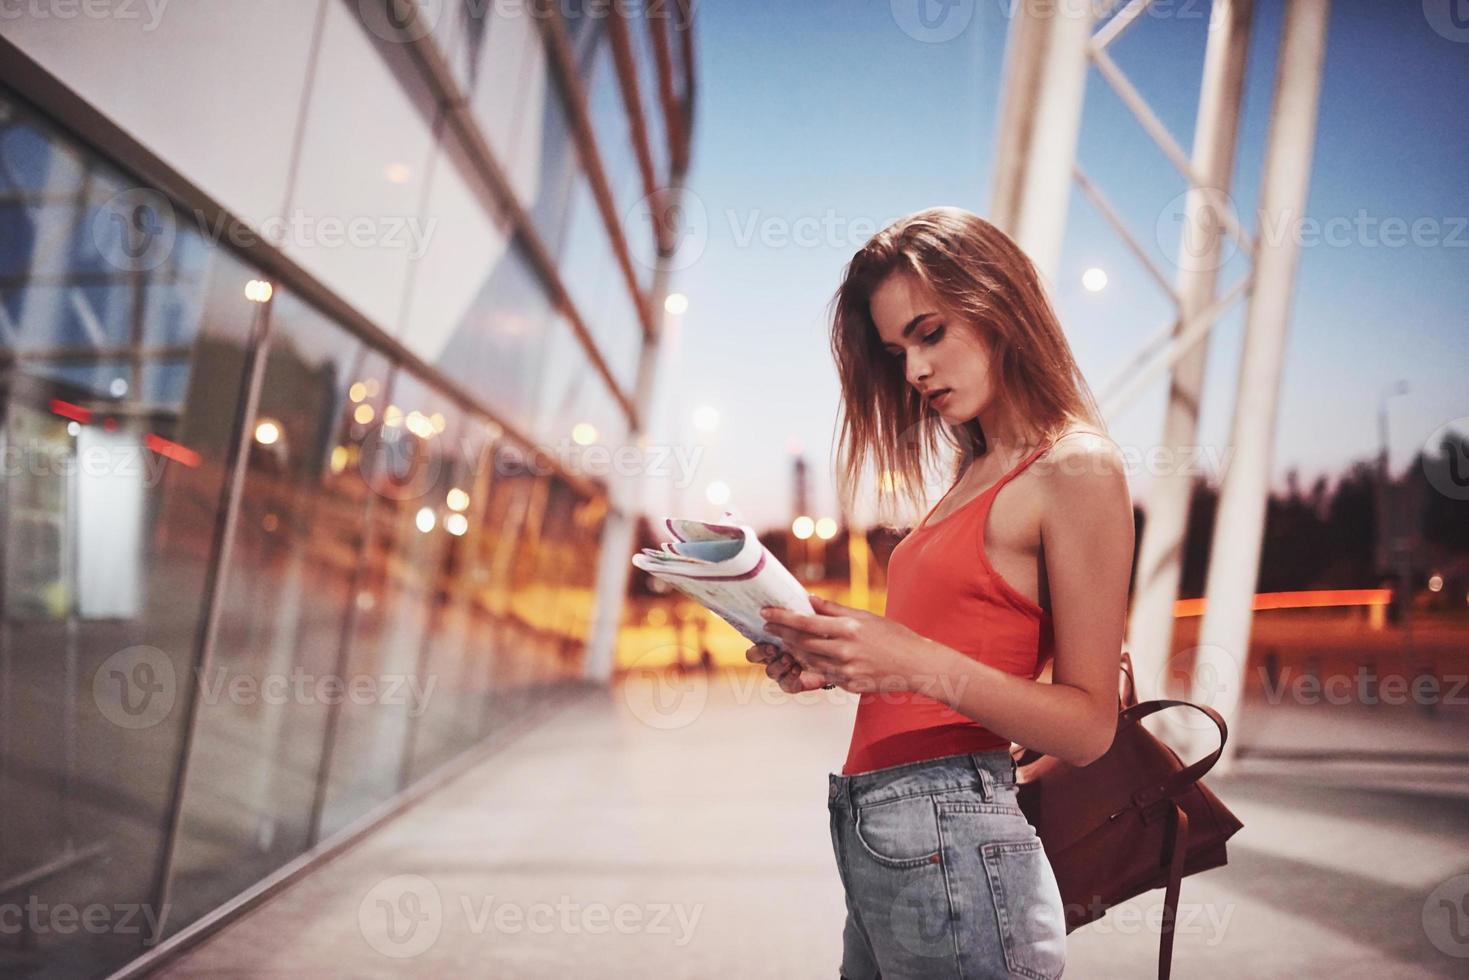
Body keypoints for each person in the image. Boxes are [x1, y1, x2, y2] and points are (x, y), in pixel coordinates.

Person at [746, 207, 1134, 979]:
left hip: (952, 829)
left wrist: (912, 662)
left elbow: (1091, 726)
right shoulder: (973, 474)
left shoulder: (1074, 467)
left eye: (930, 334)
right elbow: (946, 649)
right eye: (897, 352)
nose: (914, 371)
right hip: (882, 830)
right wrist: (840, 662)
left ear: (998, 305)